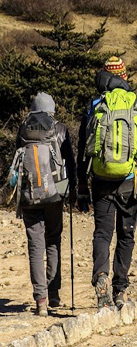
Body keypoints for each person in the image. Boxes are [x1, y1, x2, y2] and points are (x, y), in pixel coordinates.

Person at [77, 56, 137, 309]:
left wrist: (81, 186)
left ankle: (101, 276)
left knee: (102, 233)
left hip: (100, 180)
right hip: (128, 181)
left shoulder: (95, 105)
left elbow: (83, 148)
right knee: (126, 235)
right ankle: (120, 289)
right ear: (124, 76)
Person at [7, 93, 76, 316]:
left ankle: (41, 300)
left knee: (35, 245)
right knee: (53, 239)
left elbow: (16, 163)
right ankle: (54, 292)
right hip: (54, 194)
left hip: (29, 196)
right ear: (51, 110)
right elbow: (68, 164)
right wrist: (69, 192)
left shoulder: (23, 129)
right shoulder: (60, 129)